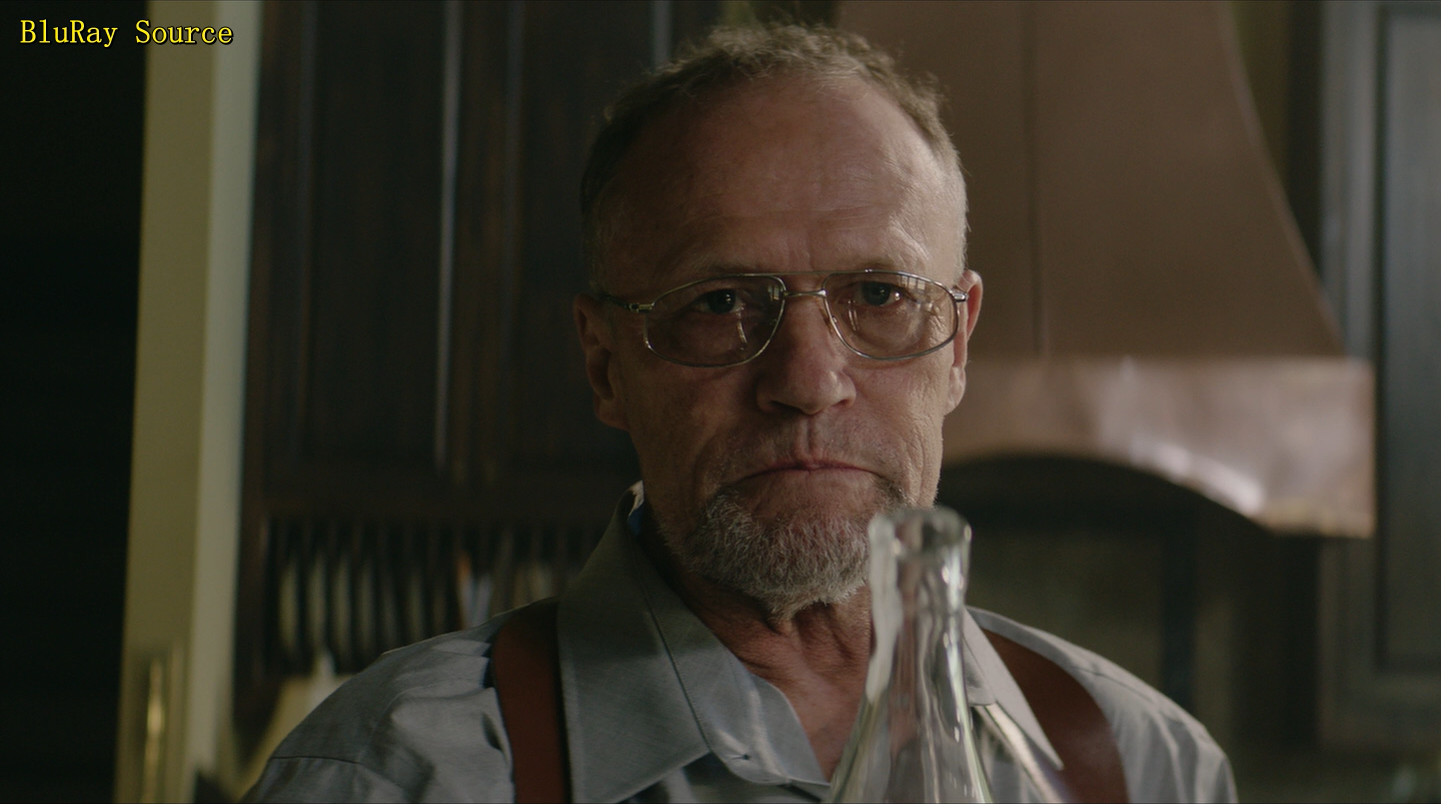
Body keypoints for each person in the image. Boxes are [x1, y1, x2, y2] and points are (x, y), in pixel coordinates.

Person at [247, 24, 1234, 803]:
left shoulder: (1146, 768)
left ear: (959, 344)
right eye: (719, 303)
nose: (808, 379)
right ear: (604, 363)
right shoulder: (397, 777)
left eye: (880, 296)